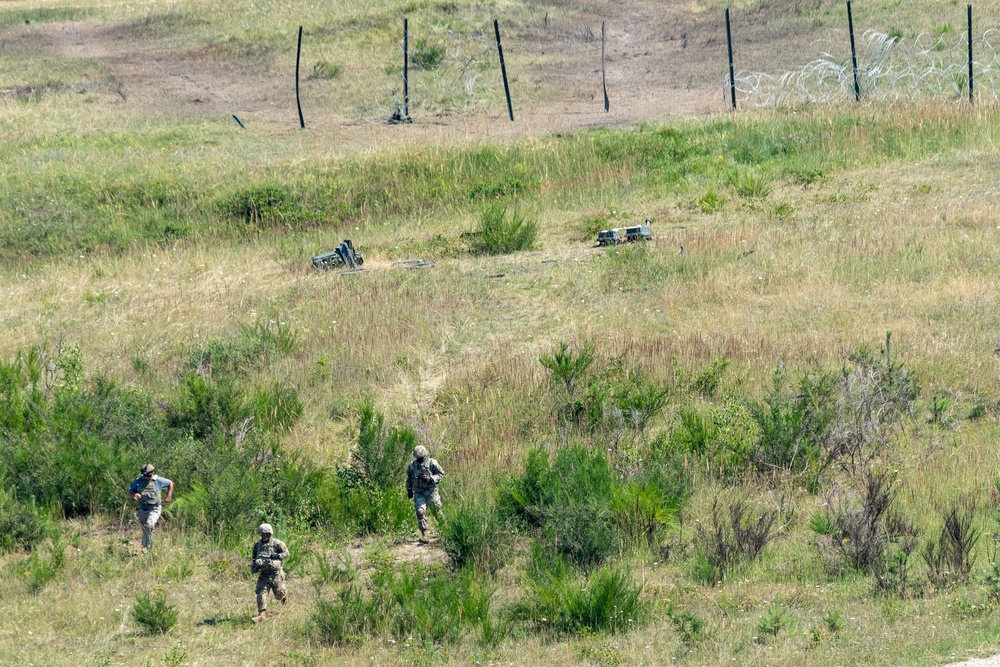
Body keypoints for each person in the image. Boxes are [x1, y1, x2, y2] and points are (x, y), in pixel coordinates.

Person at [128, 464, 173, 552]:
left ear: (152, 473)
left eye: (148, 475)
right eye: (144, 475)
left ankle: (146, 547)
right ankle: (146, 545)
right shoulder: (138, 481)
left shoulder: (158, 480)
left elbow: (170, 483)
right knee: (144, 527)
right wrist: (134, 494)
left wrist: (169, 496)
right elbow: (131, 490)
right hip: (142, 508)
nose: (146, 477)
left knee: (149, 525)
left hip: (154, 508)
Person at [405, 445, 445, 544]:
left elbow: (441, 474)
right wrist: (409, 490)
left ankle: (446, 532)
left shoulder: (432, 463)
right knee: (420, 511)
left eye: (420, 458)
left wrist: (431, 478)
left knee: (437, 512)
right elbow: (409, 478)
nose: (418, 460)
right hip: (419, 492)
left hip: (431, 492)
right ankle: (424, 535)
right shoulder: (412, 465)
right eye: (417, 458)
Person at [250, 523, 288, 623]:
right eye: (262, 534)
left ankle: (284, 598)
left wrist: (277, 556)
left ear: (270, 533)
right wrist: (255, 566)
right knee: (261, 593)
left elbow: (286, 553)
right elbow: (254, 558)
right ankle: (261, 615)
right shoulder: (257, 545)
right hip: (264, 574)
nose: (264, 536)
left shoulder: (278, 543)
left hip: (276, 573)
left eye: (266, 534)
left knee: (279, 594)